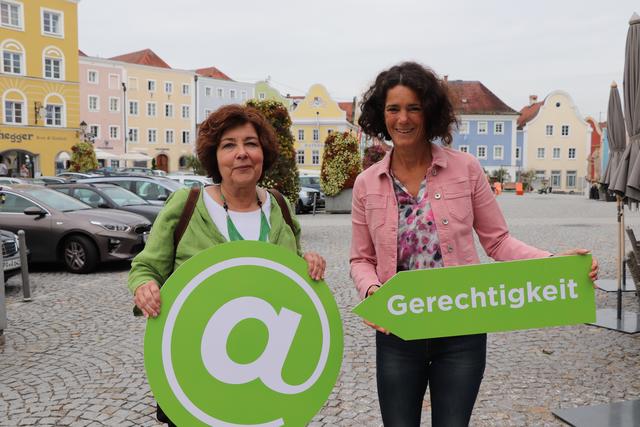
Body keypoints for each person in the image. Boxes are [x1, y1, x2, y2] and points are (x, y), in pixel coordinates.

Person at [350, 62, 598, 427]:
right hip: (398, 328)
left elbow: (497, 241)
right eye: (393, 109)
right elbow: (360, 258)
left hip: (460, 328)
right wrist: (373, 291)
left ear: (429, 112)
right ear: (380, 115)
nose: (403, 119)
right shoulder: (366, 183)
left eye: (413, 108)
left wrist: (555, 263)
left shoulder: (465, 169)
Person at [128, 104, 326, 426]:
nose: (241, 153)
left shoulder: (280, 206)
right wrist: (143, 287)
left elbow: (292, 270)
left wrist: (308, 262)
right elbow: (146, 266)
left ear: (264, 152)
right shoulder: (187, 204)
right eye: (229, 145)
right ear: (214, 156)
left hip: (269, 363)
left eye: (251, 143)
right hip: (199, 366)